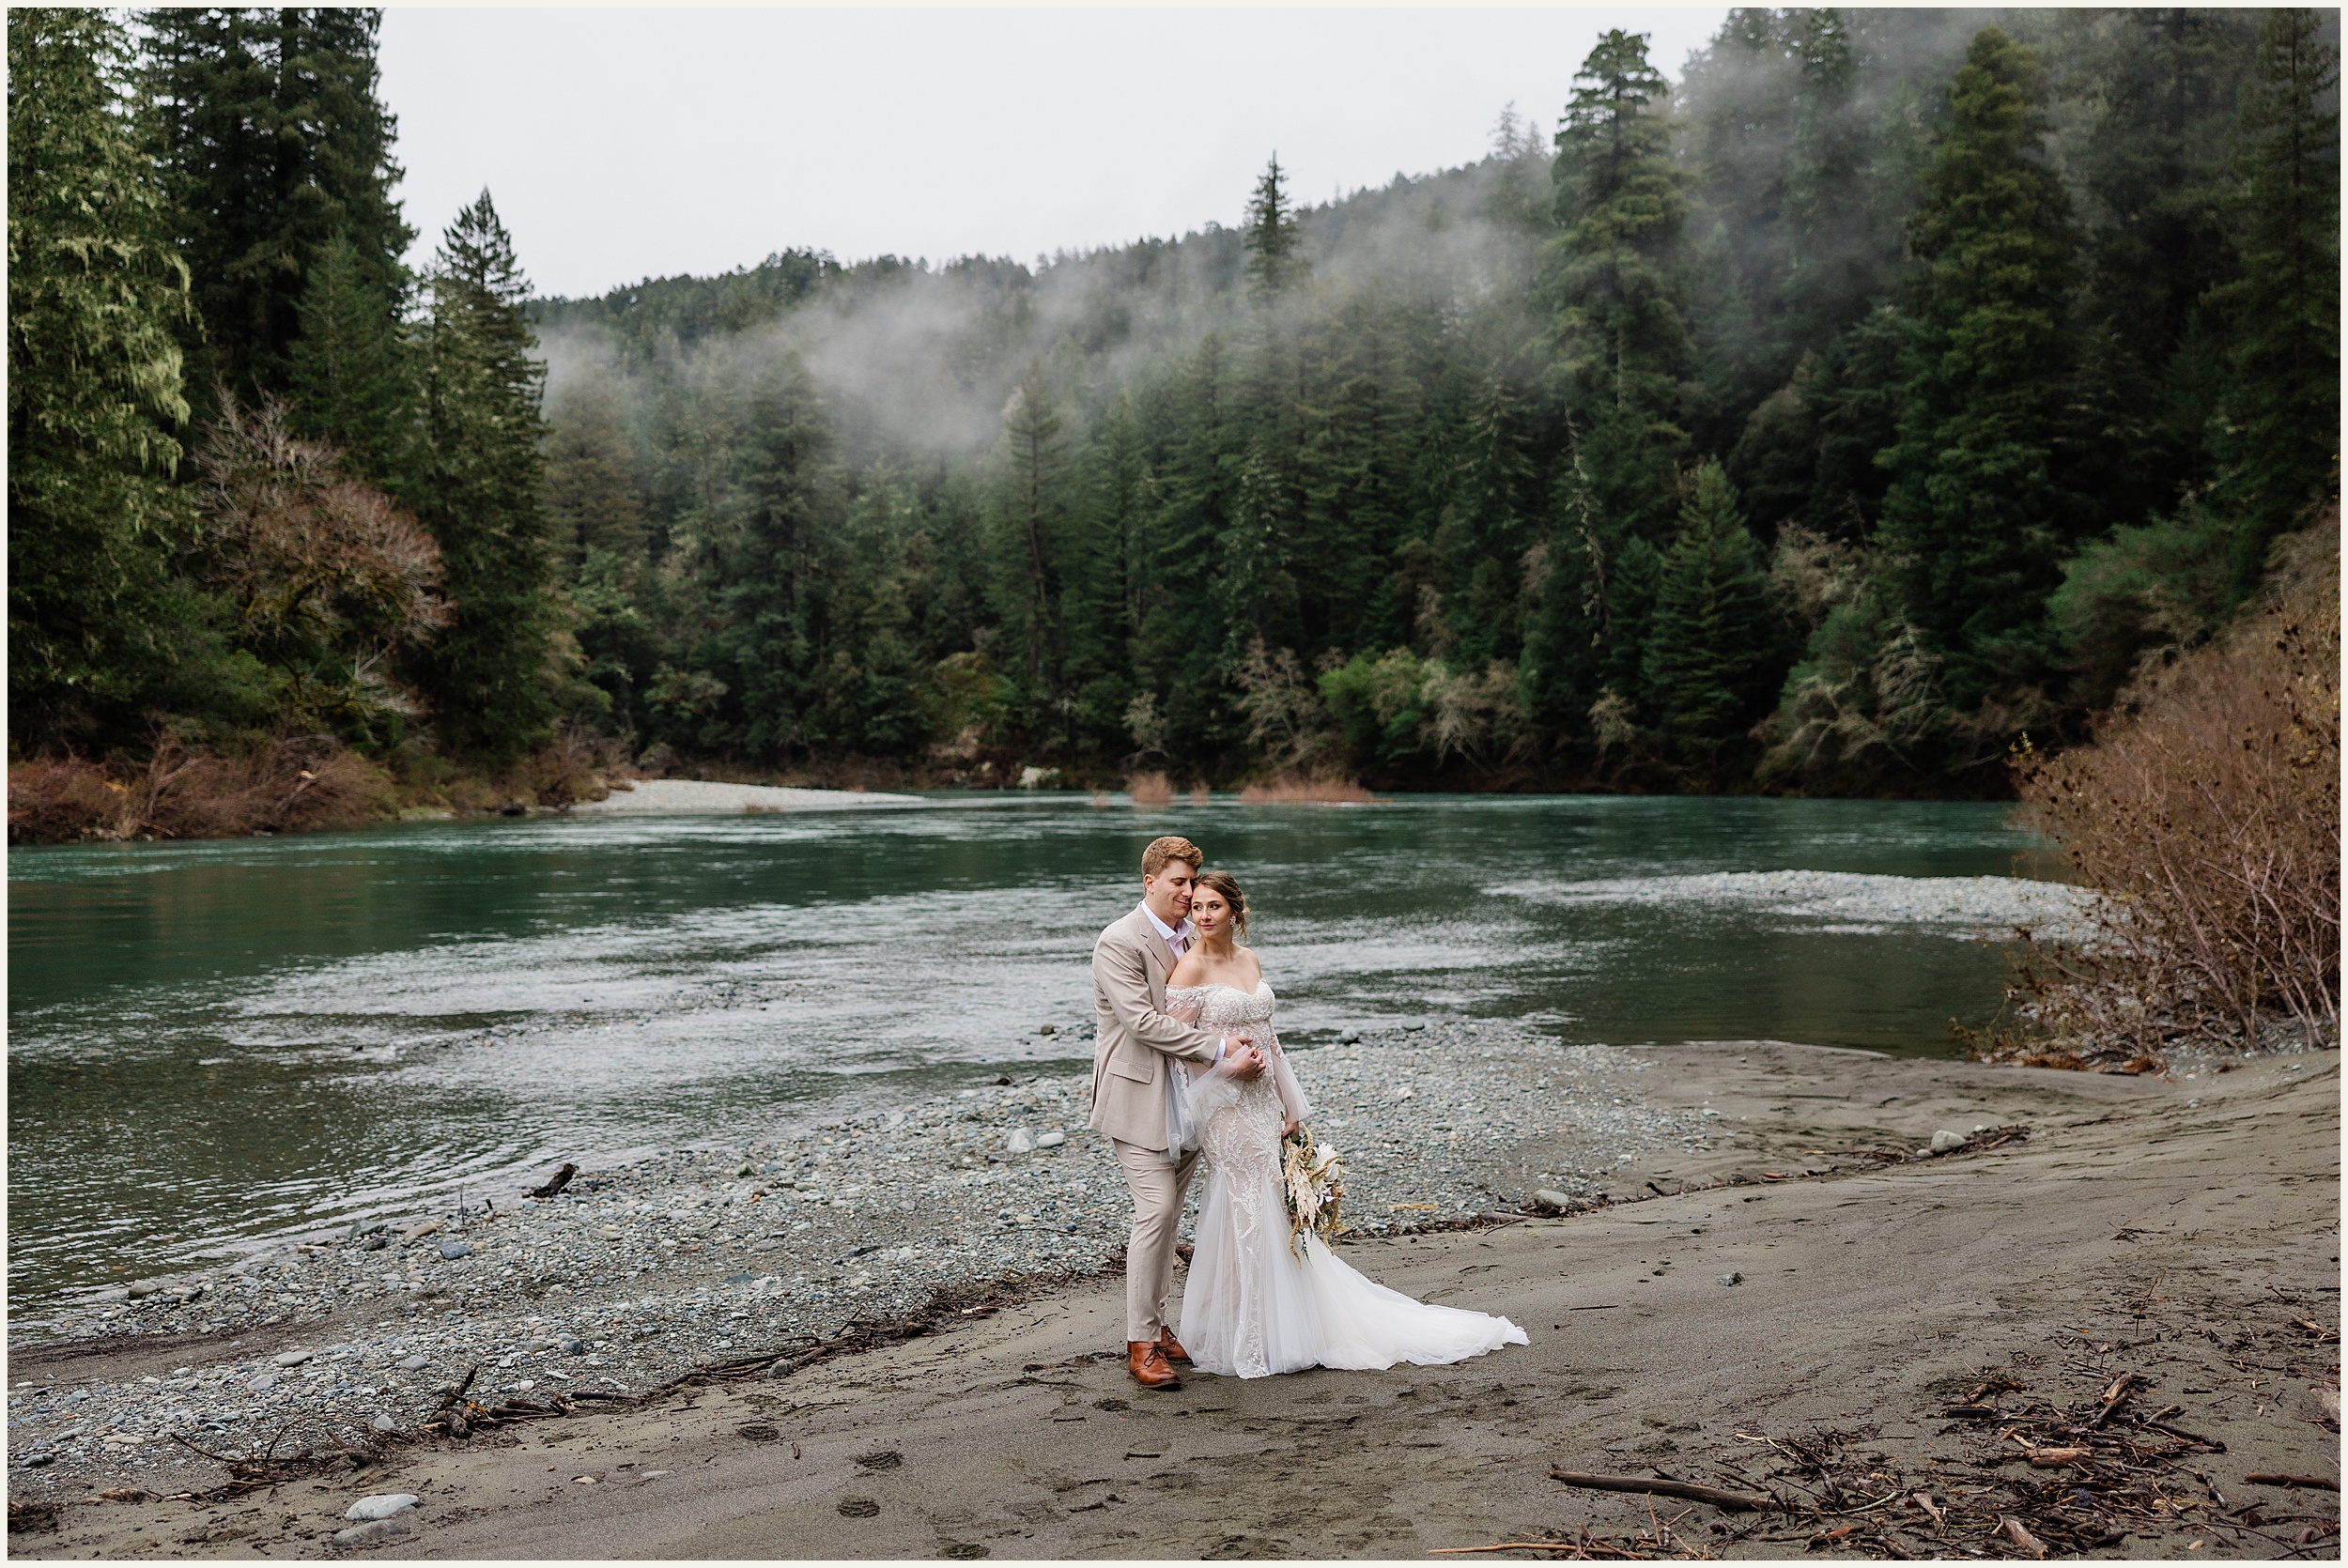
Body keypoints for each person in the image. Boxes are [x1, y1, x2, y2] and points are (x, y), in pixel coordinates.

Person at [1165, 870, 1528, 1378]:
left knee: (1274, 1203)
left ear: (1235, 911)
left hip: (1265, 1100)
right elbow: (1182, 1054)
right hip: (1224, 1106)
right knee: (1242, 1204)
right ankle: (1243, 1332)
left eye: (1213, 907)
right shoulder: (1188, 970)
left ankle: (1283, 1321)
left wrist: (1292, 1107)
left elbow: (1270, 1039)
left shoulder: (1249, 960)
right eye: (1197, 907)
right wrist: (1229, 1069)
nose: (1202, 916)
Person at [1088, 836, 1265, 1391]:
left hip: (1195, 1100)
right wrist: (1218, 1051)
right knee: (1157, 1211)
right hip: (1139, 1096)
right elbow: (1142, 1021)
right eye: (1179, 883)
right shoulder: (1118, 942)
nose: (1190, 893)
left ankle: (1160, 1327)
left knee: (1170, 1219)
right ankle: (1139, 1342)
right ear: (1150, 883)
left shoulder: (1194, 935)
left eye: (1194, 881)